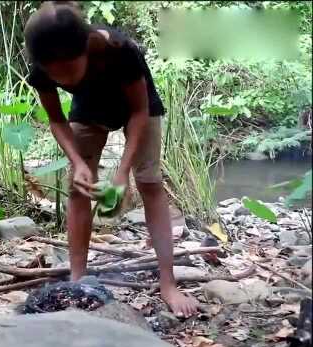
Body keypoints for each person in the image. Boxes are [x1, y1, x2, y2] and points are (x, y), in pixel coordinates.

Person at [24, 1, 199, 316]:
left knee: (149, 182)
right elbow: (56, 119)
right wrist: (78, 162)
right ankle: (77, 279)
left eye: (69, 70)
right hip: (89, 108)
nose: (63, 80)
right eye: (56, 75)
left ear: (86, 51)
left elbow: (138, 111)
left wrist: (122, 172)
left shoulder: (119, 50)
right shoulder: (42, 67)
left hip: (137, 107)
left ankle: (168, 282)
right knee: (78, 186)